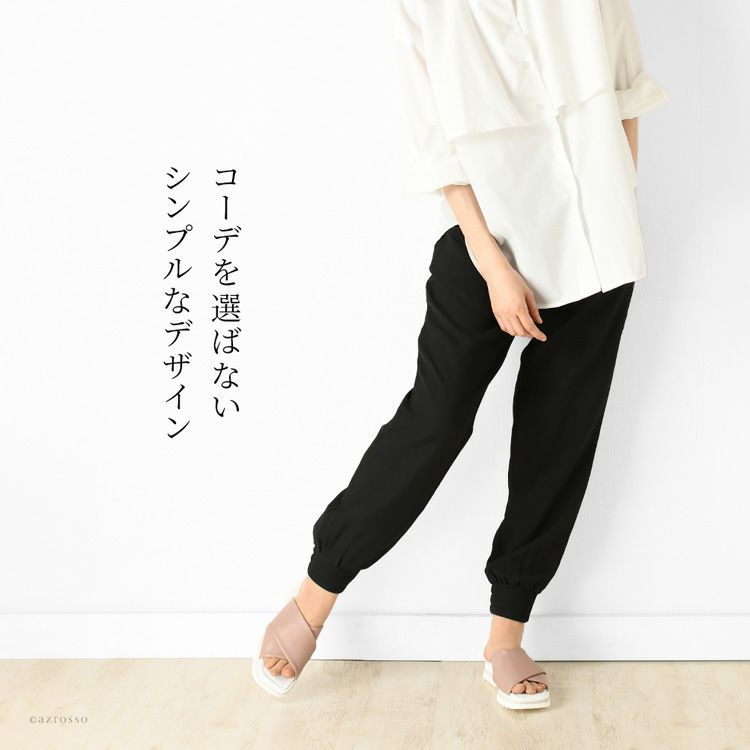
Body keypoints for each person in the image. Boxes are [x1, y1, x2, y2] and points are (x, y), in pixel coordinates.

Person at [252, 0, 670, 710]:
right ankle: (314, 595)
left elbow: (627, 85)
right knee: (436, 421)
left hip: (596, 242)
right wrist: (492, 264)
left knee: (558, 437)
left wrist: (617, 201)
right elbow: (438, 145)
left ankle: (505, 637)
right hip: (489, 245)